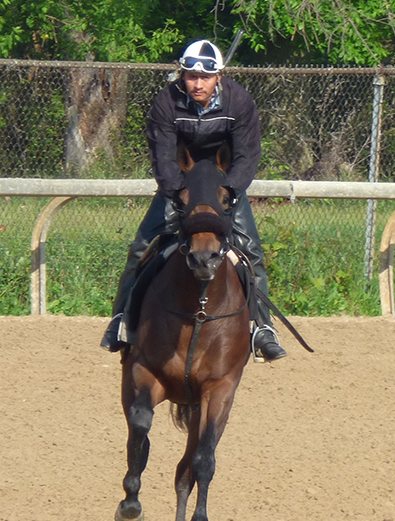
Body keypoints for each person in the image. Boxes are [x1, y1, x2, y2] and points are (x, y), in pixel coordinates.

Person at [100, 39, 287, 361]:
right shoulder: (166, 102)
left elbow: (246, 156)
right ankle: (122, 321)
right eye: (190, 76)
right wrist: (180, 196)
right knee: (141, 249)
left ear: (219, 76)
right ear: (181, 75)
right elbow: (163, 157)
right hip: (181, 187)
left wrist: (227, 192)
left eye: (205, 77)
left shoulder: (240, 101)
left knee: (251, 251)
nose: (197, 84)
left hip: (224, 187)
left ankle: (262, 329)